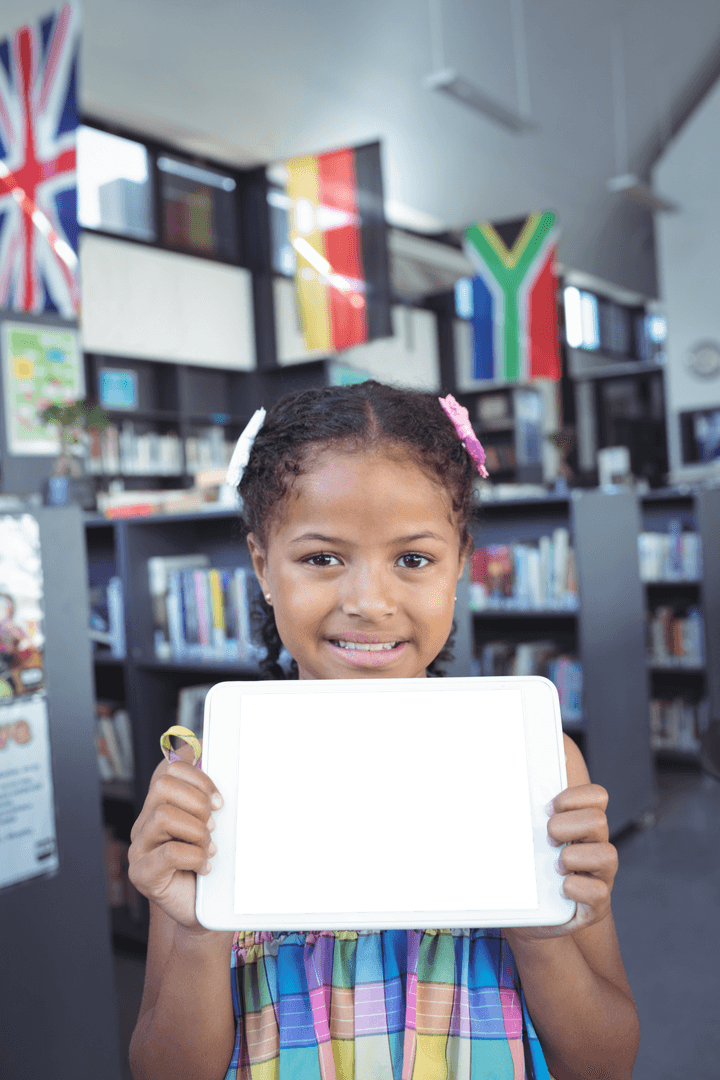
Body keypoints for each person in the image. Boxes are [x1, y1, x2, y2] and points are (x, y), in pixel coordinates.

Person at [128, 381, 640, 1080]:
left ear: (459, 565)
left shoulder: (537, 763)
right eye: (321, 558)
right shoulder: (209, 786)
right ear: (262, 566)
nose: (370, 602)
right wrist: (194, 929)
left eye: (413, 559)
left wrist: (541, 928)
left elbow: (605, 1064)